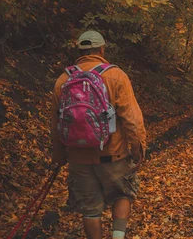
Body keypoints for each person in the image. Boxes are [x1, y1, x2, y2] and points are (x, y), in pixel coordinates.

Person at [51, 31, 146, 239]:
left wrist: (58, 156)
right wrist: (137, 149)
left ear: (80, 51)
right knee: (123, 194)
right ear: (102, 50)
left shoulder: (63, 80)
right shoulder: (115, 76)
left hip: (78, 158)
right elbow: (132, 119)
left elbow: (56, 123)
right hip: (113, 155)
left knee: (90, 209)